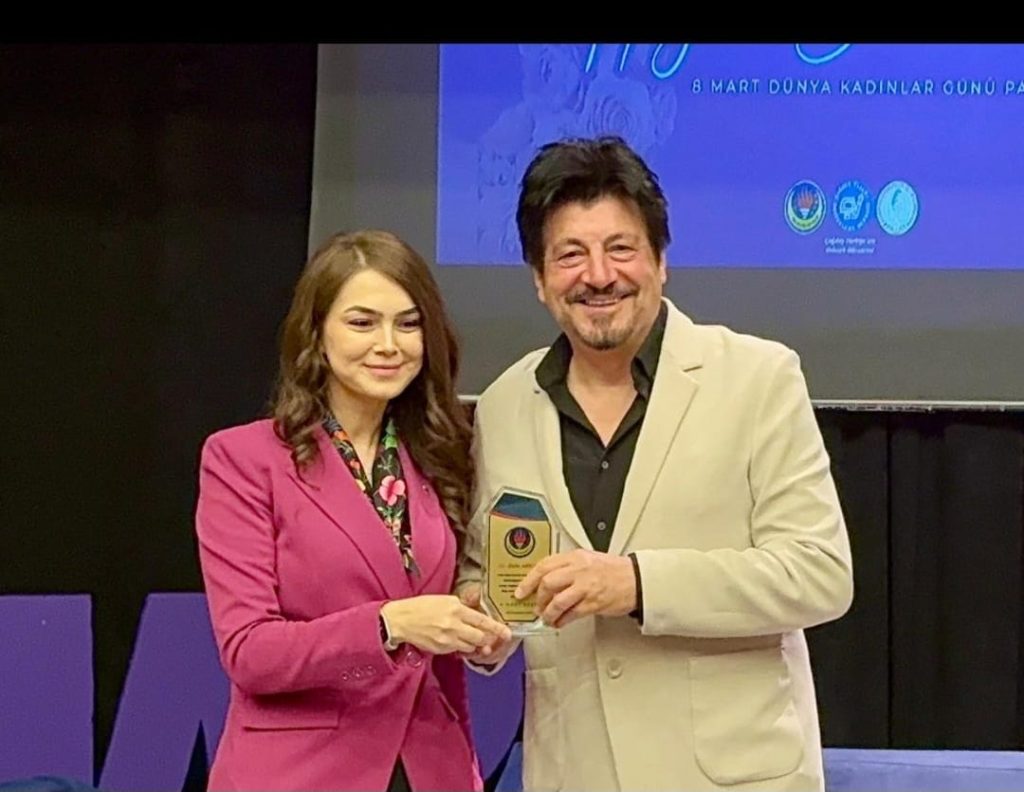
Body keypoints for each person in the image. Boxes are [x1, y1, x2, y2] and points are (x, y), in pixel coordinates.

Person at [459, 137, 854, 791]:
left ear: (661, 261)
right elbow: (486, 569)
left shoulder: (758, 378)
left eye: (620, 248)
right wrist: (482, 615)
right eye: (570, 255)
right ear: (539, 279)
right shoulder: (502, 405)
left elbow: (819, 574)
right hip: (573, 773)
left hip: (733, 777)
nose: (598, 275)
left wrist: (638, 584)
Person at [196, 230, 510, 792]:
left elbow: (440, 663)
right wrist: (390, 624)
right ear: (316, 333)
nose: (389, 344)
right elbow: (250, 652)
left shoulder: (441, 454)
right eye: (362, 323)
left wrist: (473, 627)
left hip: (429, 768)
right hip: (299, 773)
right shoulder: (243, 459)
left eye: (408, 324)